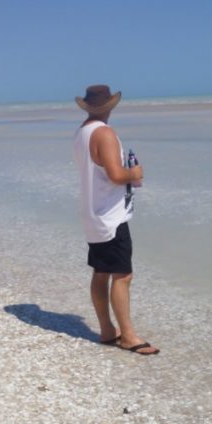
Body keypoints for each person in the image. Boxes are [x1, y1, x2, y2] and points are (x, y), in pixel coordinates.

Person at [73, 85, 159, 356]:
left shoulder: (82, 132)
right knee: (122, 275)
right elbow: (115, 175)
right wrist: (135, 172)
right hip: (111, 216)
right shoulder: (105, 133)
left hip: (93, 213)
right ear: (110, 106)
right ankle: (129, 336)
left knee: (101, 273)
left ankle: (107, 330)